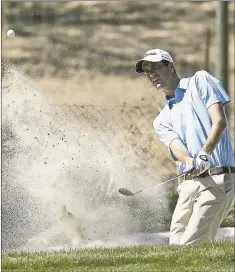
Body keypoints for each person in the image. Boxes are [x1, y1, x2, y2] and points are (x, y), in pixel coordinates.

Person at [135, 48, 235, 245]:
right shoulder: (161, 120)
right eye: (147, 70)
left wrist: (205, 154)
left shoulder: (200, 81)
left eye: (155, 67)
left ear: (171, 67)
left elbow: (220, 121)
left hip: (217, 179)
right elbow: (176, 146)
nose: (152, 74)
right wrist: (190, 160)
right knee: (176, 246)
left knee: (191, 245)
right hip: (188, 185)